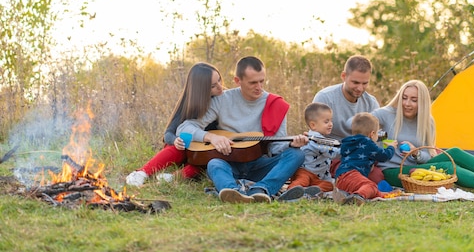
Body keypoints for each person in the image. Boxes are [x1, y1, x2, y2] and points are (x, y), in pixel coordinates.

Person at [371, 80, 474, 199]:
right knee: (446, 166)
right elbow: (356, 123)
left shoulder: (426, 121)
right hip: (394, 172)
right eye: (404, 98)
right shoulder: (386, 114)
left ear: (422, 102)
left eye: (414, 100)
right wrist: (379, 137)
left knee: (455, 152)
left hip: (419, 166)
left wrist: (416, 153)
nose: (407, 103)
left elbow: (429, 155)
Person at [177, 56, 307, 203]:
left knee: (296, 155)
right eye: (253, 82)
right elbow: (184, 128)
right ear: (238, 81)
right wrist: (212, 137)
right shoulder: (222, 99)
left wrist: (291, 144)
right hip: (229, 163)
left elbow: (276, 148)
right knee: (213, 164)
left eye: (262, 81)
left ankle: (261, 190)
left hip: (259, 164)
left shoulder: (275, 104)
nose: (259, 87)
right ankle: (233, 192)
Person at [125, 62, 224, 187]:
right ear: (201, 90)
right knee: (175, 148)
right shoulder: (188, 104)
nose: (220, 87)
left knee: (204, 163)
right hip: (184, 149)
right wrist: (176, 140)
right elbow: (168, 133)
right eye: (213, 86)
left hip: (205, 152)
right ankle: (141, 173)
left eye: (220, 80)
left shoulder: (224, 99)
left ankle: (173, 178)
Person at [313, 55, 382, 181]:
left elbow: (375, 139)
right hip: (333, 157)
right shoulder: (325, 98)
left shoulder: (371, 103)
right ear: (344, 76)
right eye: (355, 82)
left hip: (361, 158)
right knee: (352, 175)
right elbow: (316, 138)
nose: (360, 88)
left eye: (365, 83)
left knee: (377, 177)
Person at [334, 112, 397, 205]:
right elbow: (384, 156)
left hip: (340, 177)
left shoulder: (347, 142)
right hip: (352, 175)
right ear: (372, 134)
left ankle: (345, 194)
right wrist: (391, 147)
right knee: (370, 185)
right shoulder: (367, 143)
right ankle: (358, 197)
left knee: (367, 187)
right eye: (377, 133)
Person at [286, 102, 340, 196]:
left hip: (318, 177)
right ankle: (291, 192)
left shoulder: (323, 139)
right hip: (305, 171)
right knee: (302, 181)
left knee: (329, 186)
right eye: (326, 122)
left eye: (331, 121)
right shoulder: (315, 138)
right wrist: (345, 150)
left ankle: (309, 191)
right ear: (313, 125)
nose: (330, 124)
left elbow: (326, 163)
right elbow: (330, 152)